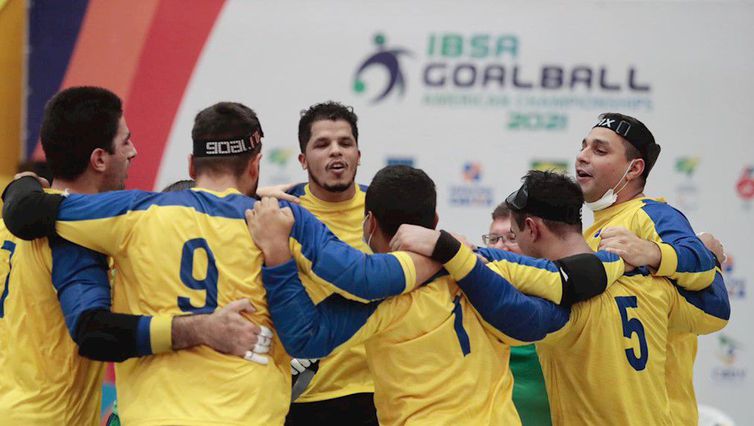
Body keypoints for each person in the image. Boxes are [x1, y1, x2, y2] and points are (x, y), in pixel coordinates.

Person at [2, 101, 435, 425]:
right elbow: (366, 277)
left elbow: (30, 213)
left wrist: (21, 182)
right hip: (247, 413)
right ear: (255, 165)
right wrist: (438, 257)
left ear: (191, 164)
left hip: (154, 416)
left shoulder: (133, 213)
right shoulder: (282, 218)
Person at [249, 165, 627, 425]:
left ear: (369, 224)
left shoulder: (383, 299)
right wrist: (627, 258)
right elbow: (571, 284)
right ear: (434, 222)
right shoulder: (489, 266)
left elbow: (304, 334)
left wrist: (278, 254)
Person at [0, 87, 266, 425]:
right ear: (99, 159)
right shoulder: (75, 236)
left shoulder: (9, 217)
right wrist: (201, 329)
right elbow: (94, 333)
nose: (134, 151)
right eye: (126, 141)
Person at [391, 170, 730, 425]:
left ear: (532, 229)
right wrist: (704, 257)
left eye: (513, 235)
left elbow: (517, 310)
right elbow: (716, 311)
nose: (509, 246)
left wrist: (456, 252)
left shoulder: (569, 302)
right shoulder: (653, 283)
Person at [576, 112, 722, 424]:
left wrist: (652, 252)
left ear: (634, 168)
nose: (582, 156)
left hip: (657, 415)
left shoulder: (652, 214)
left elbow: (706, 276)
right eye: (583, 146)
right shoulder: (589, 234)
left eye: (599, 150)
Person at [283, 101, 376, 424]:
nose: (336, 151)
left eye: (345, 143)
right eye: (322, 144)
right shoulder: (281, 214)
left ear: (358, 155)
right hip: (307, 396)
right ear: (303, 159)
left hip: (382, 392)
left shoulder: (386, 208)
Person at [484, 201, 551, 426]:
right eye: (493, 239)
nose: (501, 247)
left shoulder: (557, 297)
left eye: (511, 238)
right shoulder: (474, 302)